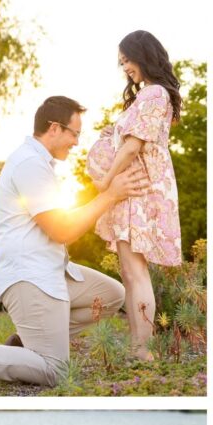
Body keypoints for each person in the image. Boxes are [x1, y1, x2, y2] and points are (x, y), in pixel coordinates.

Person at [0, 96, 148, 391]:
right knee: (56, 372)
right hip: (29, 276)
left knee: (111, 294)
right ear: (54, 128)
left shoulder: (40, 163)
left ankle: (27, 347)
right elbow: (61, 229)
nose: (77, 142)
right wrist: (109, 196)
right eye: (74, 133)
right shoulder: (30, 164)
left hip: (51, 271)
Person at [88, 31, 182, 360]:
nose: (124, 66)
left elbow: (134, 145)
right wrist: (111, 132)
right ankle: (137, 349)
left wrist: (106, 183)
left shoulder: (154, 94)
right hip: (136, 190)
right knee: (129, 272)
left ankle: (143, 352)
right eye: (122, 61)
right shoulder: (149, 95)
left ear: (144, 55)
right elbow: (126, 138)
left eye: (127, 59)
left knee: (135, 271)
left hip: (137, 191)